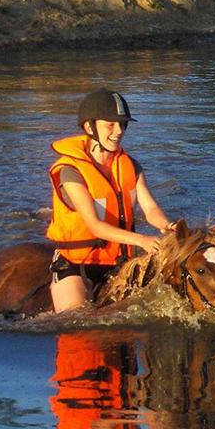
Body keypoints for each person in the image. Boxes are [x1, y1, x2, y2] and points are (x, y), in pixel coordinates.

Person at [46, 88, 176, 312]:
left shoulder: (131, 166)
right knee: (76, 321)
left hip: (117, 262)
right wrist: (142, 240)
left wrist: (167, 225)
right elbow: (95, 226)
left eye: (123, 124)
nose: (119, 131)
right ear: (89, 127)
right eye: (111, 124)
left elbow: (150, 207)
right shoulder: (70, 171)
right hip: (76, 264)